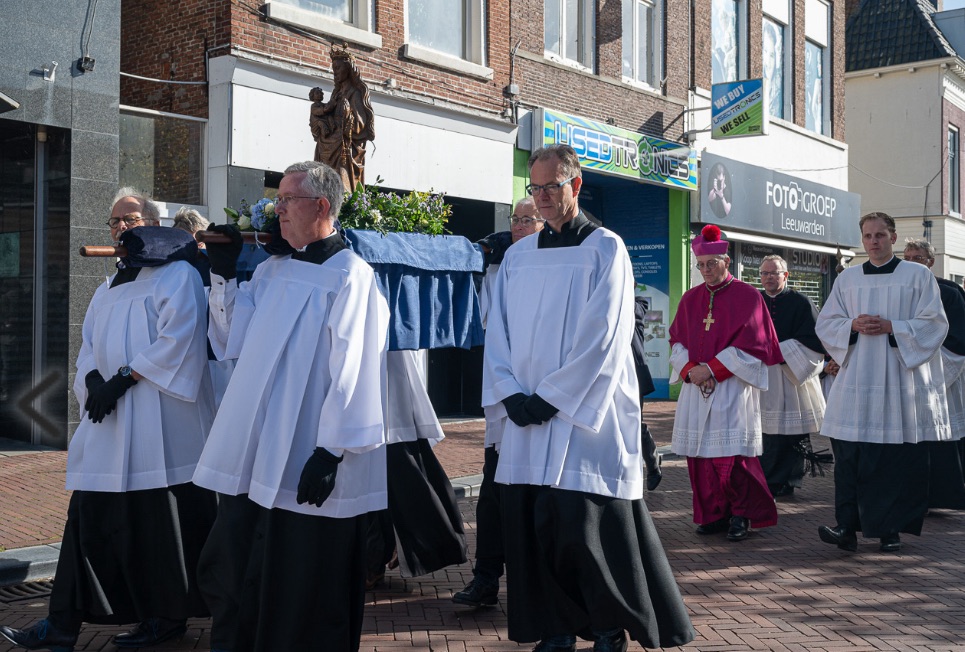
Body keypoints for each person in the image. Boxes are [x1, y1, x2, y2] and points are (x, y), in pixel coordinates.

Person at [482, 144, 694, 652]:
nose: (543, 198)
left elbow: (606, 334)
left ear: (574, 186)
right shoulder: (516, 257)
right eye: (535, 189)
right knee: (537, 531)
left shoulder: (606, 248)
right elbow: (498, 333)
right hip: (526, 420)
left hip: (583, 420)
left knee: (586, 533)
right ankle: (555, 628)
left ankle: (606, 627)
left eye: (552, 187)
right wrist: (510, 394)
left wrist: (551, 398)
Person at [0, 189, 216, 651]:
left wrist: (123, 379)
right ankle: (60, 626)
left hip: (159, 424)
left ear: (154, 223)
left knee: (161, 527)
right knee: (87, 522)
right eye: (114, 222)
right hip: (113, 426)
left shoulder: (177, 274)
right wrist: (94, 380)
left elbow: (179, 340)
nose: (121, 227)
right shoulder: (107, 286)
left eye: (130, 218)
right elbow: (88, 344)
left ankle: (166, 618)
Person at [192, 161, 389, 652]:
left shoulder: (352, 276)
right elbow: (230, 338)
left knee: (300, 580)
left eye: (286, 201)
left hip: (306, 452)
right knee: (236, 569)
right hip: (255, 451)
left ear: (321, 206)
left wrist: (331, 452)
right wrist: (222, 276)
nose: (276, 211)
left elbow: (356, 368)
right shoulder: (273, 268)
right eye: (276, 201)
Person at [816, 212, 950, 553]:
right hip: (855, 379)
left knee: (890, 461)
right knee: (849, 459)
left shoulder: (917, 276)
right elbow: (827, 322)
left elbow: (935, 323)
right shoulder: (847, 280)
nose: (873, 241)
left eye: (880, 235)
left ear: (892, 237)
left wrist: (894, 327)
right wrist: (851, 325)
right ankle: (845, 527)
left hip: (895, 379)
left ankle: (889, 530)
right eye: (867, 236)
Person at [453, 197, 544, 608]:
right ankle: (486, 578)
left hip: (544, 405)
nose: (522, 226)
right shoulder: (500, 266)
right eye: (517, 220)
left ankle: (536, 586)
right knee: (492, 498)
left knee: (537, 502)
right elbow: (488, 328)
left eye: (530, 219)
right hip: (504, 405)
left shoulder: (558, 267)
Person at [668, 224, 781, 542]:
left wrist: (713, 369)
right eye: (701, 265)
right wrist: (691, 368)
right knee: (701, 458)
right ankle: (713, 514)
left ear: (726, 261)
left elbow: (755, 347)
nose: (705, 270)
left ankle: (741, 515)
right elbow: (676, 341)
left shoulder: (748, 297)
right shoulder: (690, 299)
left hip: (731, 388)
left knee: (733, 458)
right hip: (696, 388)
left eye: (711, 264)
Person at [901, 238, 965, 510]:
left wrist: (923, 356)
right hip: (904, 374)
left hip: (940, 376)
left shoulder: (948, 293)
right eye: (908, 257)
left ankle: (941, 496)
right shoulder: (899, 291)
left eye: (918, 258)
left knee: (940, 435)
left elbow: (959, 339)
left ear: (931, 261)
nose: (912, 262)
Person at [757, 255, 827, 498]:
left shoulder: (801, 302)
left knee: (791, 432)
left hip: (790, 374)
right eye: (764, 273)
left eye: (774, 273)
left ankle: (789, 479)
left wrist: (780, 351)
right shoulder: (755, 301)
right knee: (767, 432)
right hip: (762, 375)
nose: (768, 278)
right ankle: (768, 478)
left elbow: (815, 340)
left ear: (785, 275)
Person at [310, 46, 375, 191]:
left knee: (339, 152)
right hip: (331, 137)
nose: (336, 72)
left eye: (338, 68)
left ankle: (342, 195)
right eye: (334, 69)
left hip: (344, 141)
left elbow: (359, 125)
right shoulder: (336, 93)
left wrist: (347, 114)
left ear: (348, 69)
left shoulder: (355, 94)